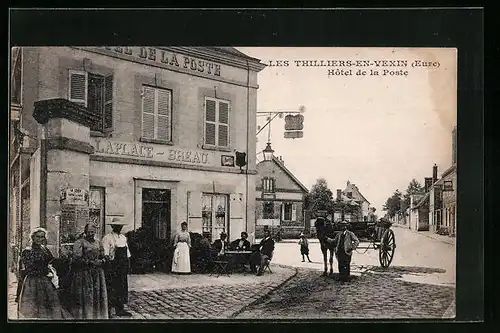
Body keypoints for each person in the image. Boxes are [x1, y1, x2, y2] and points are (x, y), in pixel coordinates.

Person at [16, 227, 71, 319]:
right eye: (38, 237)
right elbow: (29, 269)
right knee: (33, 306)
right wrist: (45, 270)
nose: (40, 239)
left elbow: (52, 261)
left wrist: (65, 259)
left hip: (44, 280)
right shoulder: (27, 251)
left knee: (49, 305)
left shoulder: (44, 249)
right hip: (32, 282)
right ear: (32, 237)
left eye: (42, 237)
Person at [69, 224, 108, 319]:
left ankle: (97, 315)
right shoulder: (79, 242)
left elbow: (102, 256)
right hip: (84, 273)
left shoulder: (98, 243)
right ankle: (86, 316)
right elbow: (76, 259)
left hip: (97, 273)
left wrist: (103, 260)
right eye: (89, 232)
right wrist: (91, 262)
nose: (91, 234)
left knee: (97, 294)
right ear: (85, 232)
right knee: (86, 295)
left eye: (93, 232)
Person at [102, 218, 132, 317]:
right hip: (112, 266)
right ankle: (109, 310)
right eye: (116, 226)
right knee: (112, 288)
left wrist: (128, 266)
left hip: (122, 266)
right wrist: (109, 266)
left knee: (122, 288)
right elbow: (106, 254)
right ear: (112, 226)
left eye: (120, 226)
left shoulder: (123, 238)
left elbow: (127, 254)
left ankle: (120, 309)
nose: (119, 227)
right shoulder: (107, 238)